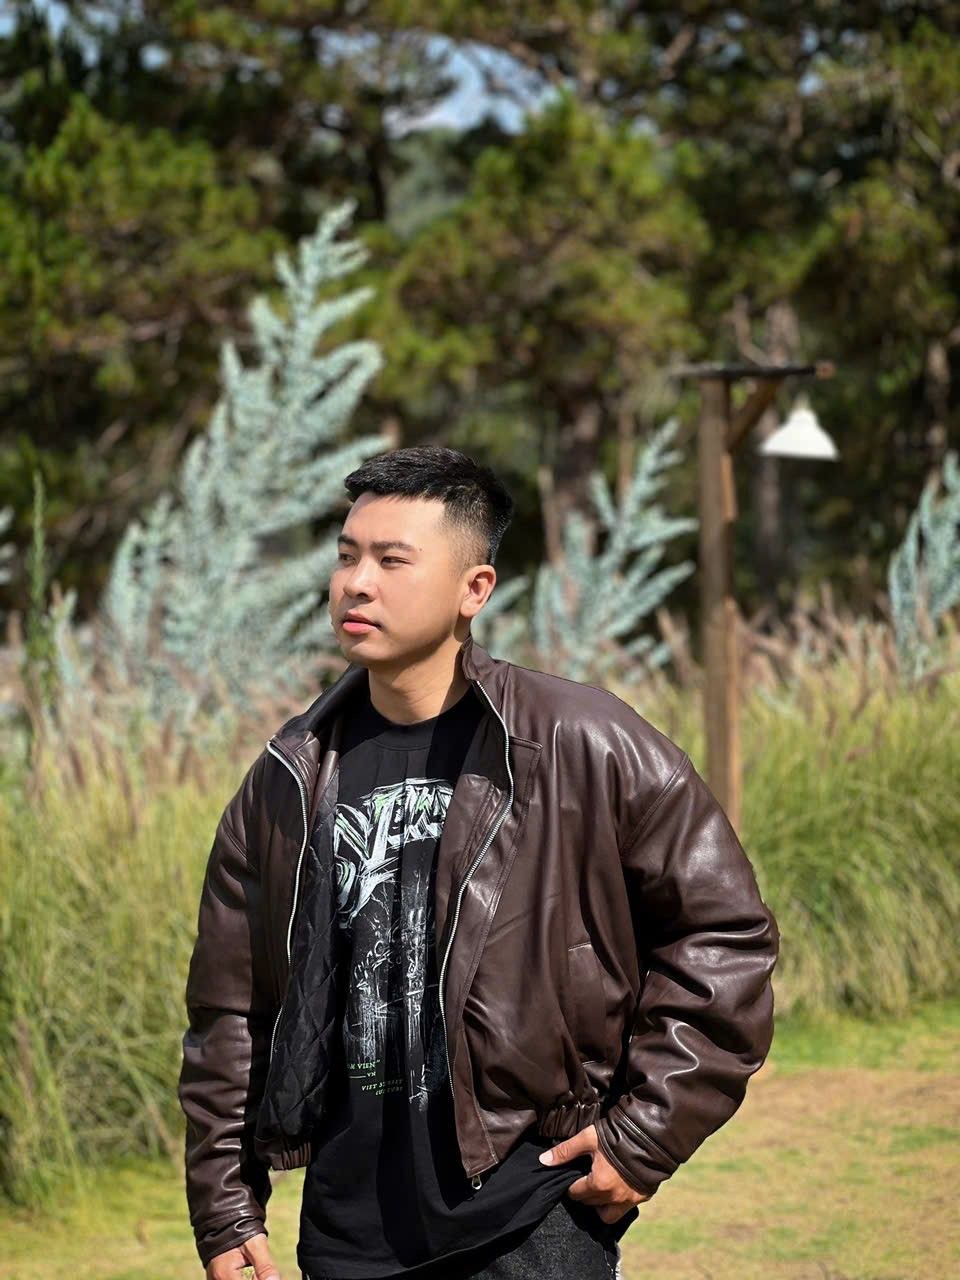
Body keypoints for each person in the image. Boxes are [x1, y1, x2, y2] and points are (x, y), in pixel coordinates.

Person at [178, 445, 780, 1280]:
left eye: (393, 560)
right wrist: (225, 1204)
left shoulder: (580, 742)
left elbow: (724, 936)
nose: (357, 584)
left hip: (528, 1222)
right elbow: (230, 1009)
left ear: (475, 589)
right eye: (347, 556)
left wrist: (643, 1137)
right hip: (348, 1234)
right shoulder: (290, 774)